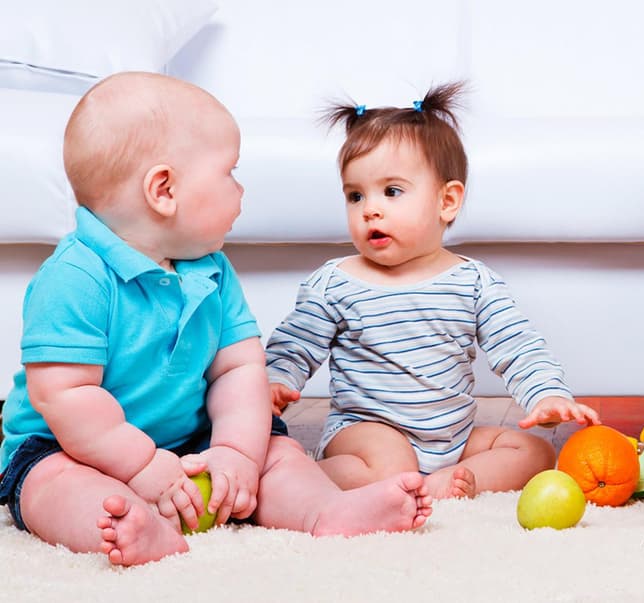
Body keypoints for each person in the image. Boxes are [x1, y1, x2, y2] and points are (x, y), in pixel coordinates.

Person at [0, 72, 433, 567]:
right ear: (163, 190)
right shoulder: (75, 278)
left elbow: (239, 369)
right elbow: (66, 395)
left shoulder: (211, 269)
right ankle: (126, 525)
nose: (240, 190)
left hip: (192, 437)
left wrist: (235, 455)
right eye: (229, 172)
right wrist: (140, 466)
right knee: (51, 488)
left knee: (274, 453)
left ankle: (325, 510)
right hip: (71, 446)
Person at [264, 82, 599, 500]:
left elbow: (518, 346)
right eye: (355, 195)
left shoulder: (474, 283)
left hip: (452, 438)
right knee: (390, 462)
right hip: (367, 435)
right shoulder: (335, 283)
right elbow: (294, 346)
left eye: (392, 191)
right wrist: (275, 380)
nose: (370, 208)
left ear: (448, 201)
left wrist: (547, 394)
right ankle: (303, 474)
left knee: (533, 451)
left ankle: (453, 482)